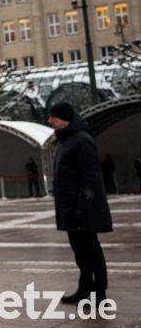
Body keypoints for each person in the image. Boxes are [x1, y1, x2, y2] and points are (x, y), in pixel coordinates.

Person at [48, 102, 112, 305]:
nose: (50, 121)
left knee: (91, 249)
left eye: (54, 117)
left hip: (82, 208)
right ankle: (84, 288)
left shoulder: (81, 141)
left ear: (65, 119)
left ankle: (99, 292)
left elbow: (90, 177)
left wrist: (83, 204)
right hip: (70, 208)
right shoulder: (64, 141)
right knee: (80, 252)